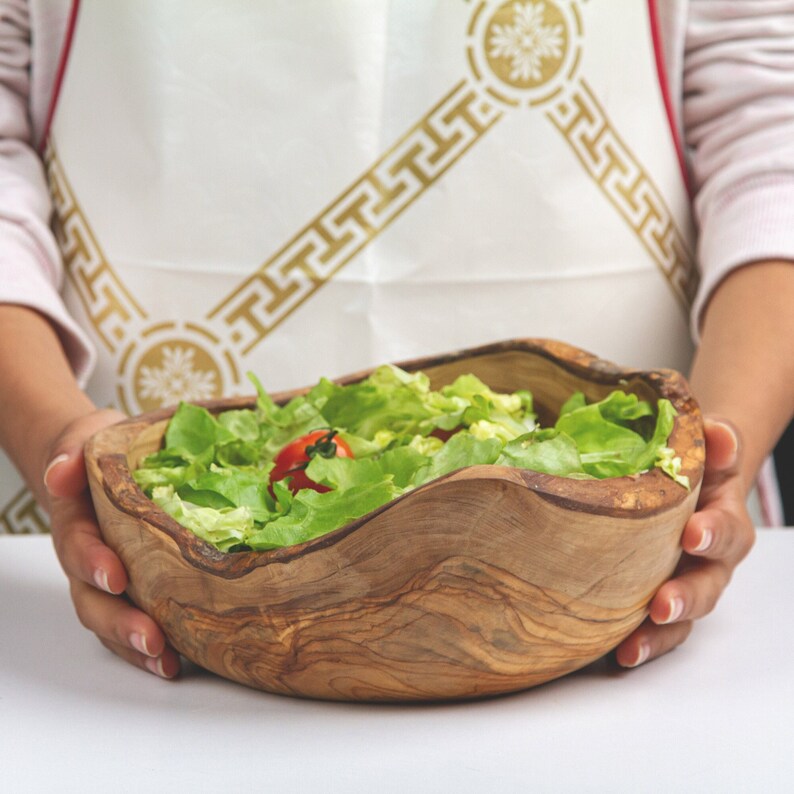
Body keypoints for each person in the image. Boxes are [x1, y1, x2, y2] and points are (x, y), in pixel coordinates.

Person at [1, 0, 792, 680]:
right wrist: (55, 437)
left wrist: (723, 440)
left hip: (620, 618)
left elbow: (771, 124)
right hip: (156, 618)